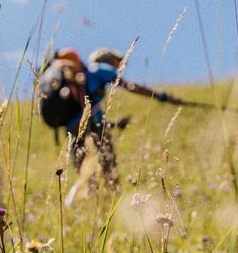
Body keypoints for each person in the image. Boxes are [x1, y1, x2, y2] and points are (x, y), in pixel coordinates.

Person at [38, 47, 182, 203]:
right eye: (115, 61)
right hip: (92, 126)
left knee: (85, 174)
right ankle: (113, 202)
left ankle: (78, 208)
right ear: (107, 60)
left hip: (73, 129)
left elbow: (86, 115)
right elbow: (131, 87)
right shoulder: (99, 70)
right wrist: (160, 96)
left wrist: (113, 124)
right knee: (109, 169)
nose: (117, 66)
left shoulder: (81, 78)